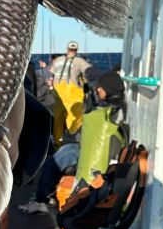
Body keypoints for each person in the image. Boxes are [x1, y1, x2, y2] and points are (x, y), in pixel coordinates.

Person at [19, 70, 127, 214]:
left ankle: (41, 200)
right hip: (92, 148)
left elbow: (102, 138)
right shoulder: (114, 108)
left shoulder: (111, 114)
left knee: (58, 159)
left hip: (97, 157)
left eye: (100, 87)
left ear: (108, 89)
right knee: (63, 152)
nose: (98, 90)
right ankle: (44, 196)